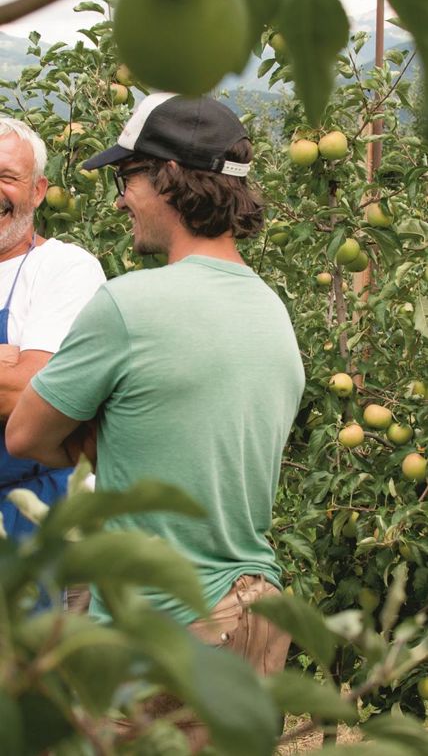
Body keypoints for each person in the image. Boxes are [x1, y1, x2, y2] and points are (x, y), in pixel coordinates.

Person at [6, 93, 305, 748]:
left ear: (168, 177)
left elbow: (24, 434)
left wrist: (95, 434)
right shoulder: (272, 313)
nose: (118, 200)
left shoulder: (128, 304)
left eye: (126, 179)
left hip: (161, 632)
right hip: (255, 615)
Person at [0, 117, 105, 540]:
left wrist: (21, 378)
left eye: (7, 177)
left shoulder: (63, 268)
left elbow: (30, 395)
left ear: (38, 191)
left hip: (39, 521)